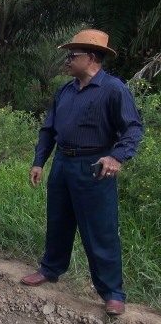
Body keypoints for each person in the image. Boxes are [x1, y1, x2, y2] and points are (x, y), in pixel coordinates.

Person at [20, 29, 143, 316]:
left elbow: (133, 128)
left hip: (94, 167)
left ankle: (112, 292)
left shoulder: (114, 89)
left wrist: (117, 156)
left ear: (91, 57)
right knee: (58, 221)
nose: (67, 61)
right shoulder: (65, 91)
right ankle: (51, 269)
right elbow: (48, 129)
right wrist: (40, 161)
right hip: (63, 163)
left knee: (100, 230)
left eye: (71, 56)